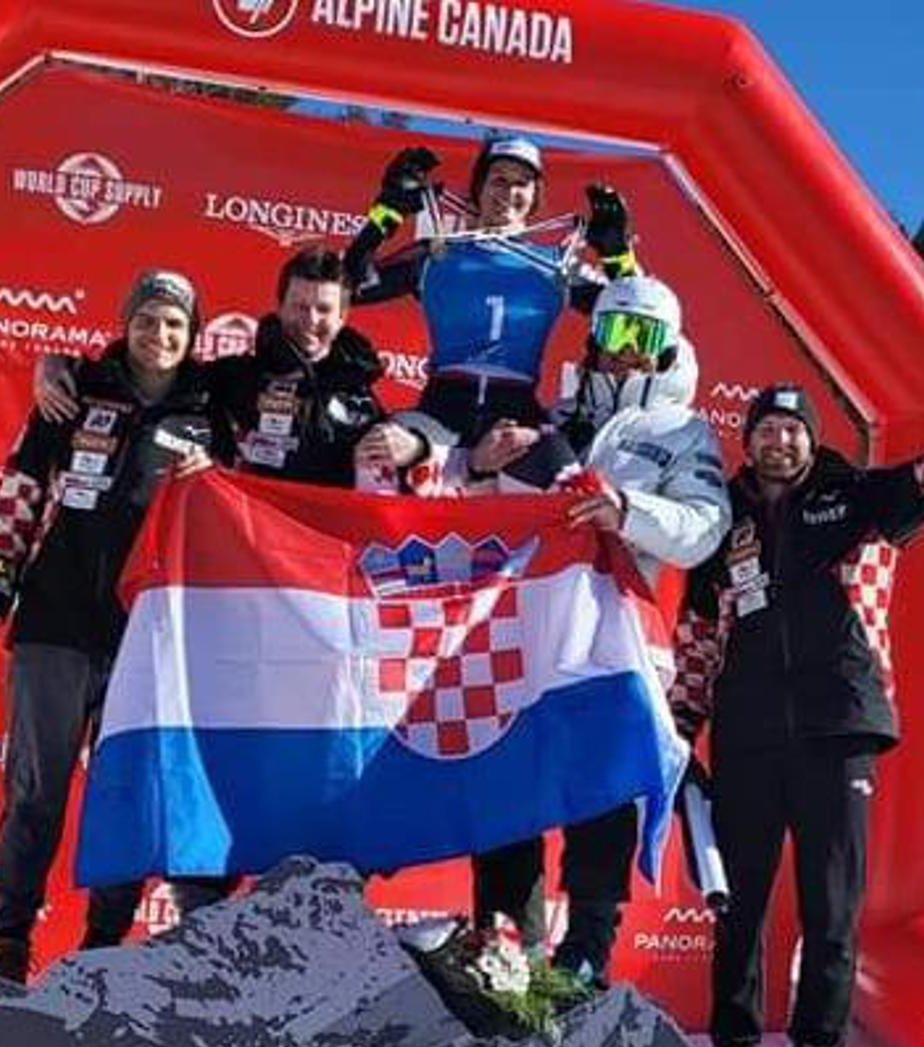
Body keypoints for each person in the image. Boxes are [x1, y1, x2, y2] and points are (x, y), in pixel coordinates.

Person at [671, 298, 924, 1047]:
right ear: (747, 441)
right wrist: (679, 728)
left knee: (830, 906)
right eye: (765, 429)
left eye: (791, 429)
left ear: (811, 439)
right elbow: (696, 639)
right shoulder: (722, 527)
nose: (778, 440)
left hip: (838, 729)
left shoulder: (860, 502)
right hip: (747, 737)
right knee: (739, 905)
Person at [360, 274, 731, 986]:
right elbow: (477, 507)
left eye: (643, 336)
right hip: (529, 633)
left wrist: (626, 508)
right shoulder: (551, 418)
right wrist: (476, 464)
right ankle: (505, 942)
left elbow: (703, 528)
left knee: (601, 790)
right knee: (508, 779)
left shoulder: (681, 431)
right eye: (613, 332)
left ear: (667, 347)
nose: (625, 351)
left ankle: (586, 952)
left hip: (613, 636)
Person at [0, 269, 232, 984]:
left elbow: (241, 504)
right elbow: (19, 491)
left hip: (145, 636)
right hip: (54, 622)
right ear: (126, 324)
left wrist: (214, 472)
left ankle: (103, 944)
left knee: (125, 794)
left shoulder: (212, 407)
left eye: (174, 323)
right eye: (146, 319)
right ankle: (9, 943)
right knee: (35, 792)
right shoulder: (75, 390)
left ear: (192, 334)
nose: (159, 334)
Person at [342, 135, 637, 461]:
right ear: (479, 188)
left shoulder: (557, 266)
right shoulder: (436, 255)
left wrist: (618, 259)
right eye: (499, 180)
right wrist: (385, 215)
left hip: (517, 415)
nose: (509, 192)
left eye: (522, 184)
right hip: (442, 409)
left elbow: (637, 320)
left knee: (564, 474)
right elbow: (345, 289)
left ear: (535, 195)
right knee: (379, 452)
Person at [36, 247, 386, 489]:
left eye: (323, 309)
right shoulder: (235, 376)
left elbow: (388, 479)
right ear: (280, 306)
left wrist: (412, 445)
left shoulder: (360, 399)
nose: (310, 319)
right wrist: (57, 364)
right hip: (243, 560)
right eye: (299, 305)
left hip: (316, 566)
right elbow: (154, 378)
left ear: (343, 316)